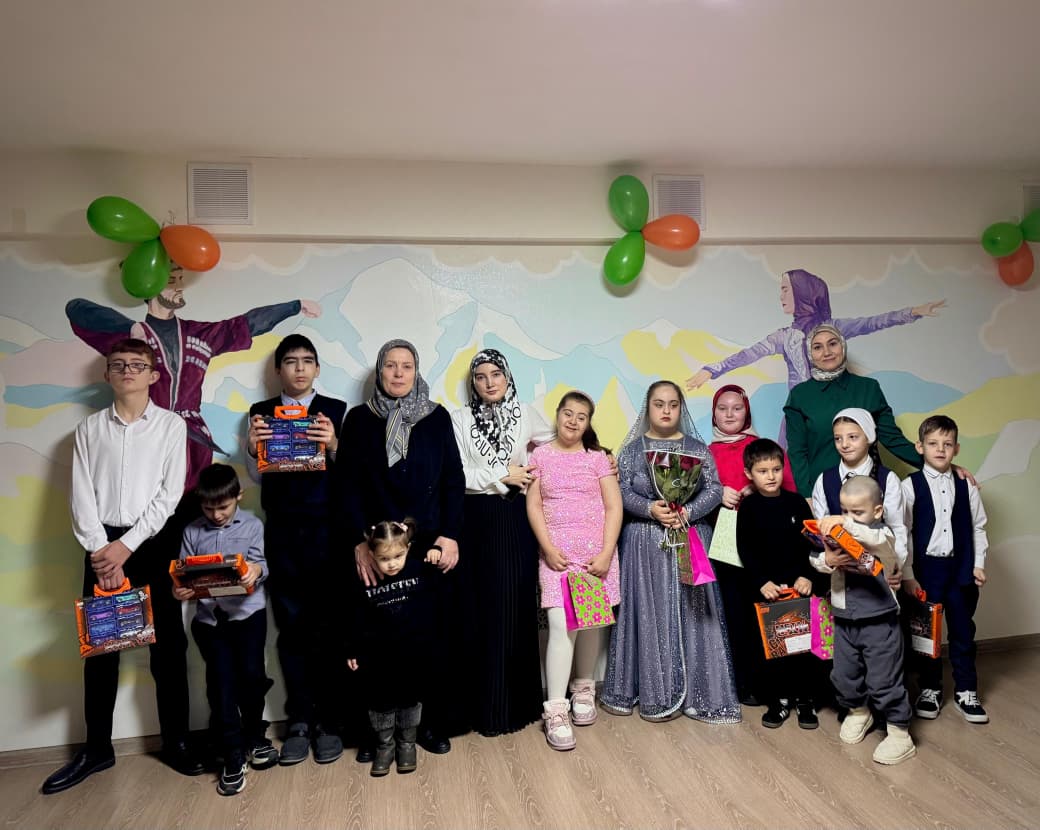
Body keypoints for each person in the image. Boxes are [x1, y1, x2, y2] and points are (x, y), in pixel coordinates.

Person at [42, 339, 201, 795]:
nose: (128, 370)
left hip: (152, 541)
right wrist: (102, 551)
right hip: (100, 547)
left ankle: (176, 742)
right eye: (118, 365)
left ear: (153, 375)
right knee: (102, 650)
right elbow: (81, 496)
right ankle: (97, 748)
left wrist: (126, 547)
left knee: (168, 648)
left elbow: (170, 495)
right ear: (106, 375)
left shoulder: (171, 426)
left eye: (137, 364)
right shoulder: (89, 429)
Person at [66, 262, 322, 490]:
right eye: (171, 280)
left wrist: (294, 306)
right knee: (140, 500)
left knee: (191, 510)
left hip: (191, 439)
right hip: (144, 432)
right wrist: (128, 326)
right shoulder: (130, 337)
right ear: (150, 287)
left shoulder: (198, 334)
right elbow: (75, 308)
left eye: (180, 280)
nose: (179, 287)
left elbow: (247, 324)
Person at [336, 338, 466, 755]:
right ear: (380, 372)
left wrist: (450, 534)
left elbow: (453, 480)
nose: (398, 373)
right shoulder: (359, 419)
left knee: (428, 639)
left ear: (416, 371)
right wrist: (359, 542)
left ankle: (427, 726)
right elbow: (346, 486)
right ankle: (376, 735)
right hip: (379, 548)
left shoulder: (436, 417)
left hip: (426, 547)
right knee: (377, 643)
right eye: (390, 365)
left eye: (406, 366)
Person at [600, 381, 741, 725]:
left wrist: (687, 512)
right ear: (647, 407)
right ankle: (655, 690)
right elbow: (620, 492)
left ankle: (698, 693)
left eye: (673, 404)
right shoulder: (632, 450)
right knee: (649, 611)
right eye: (659, 404)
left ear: (681, 408)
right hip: (644, 542)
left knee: (695, 612)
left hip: (689, 536)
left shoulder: (697, 448)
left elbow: (714, 489)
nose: (666, 410)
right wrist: (650, 509)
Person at [246, 334, 347, 765]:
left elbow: (352, 476)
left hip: (326, 532)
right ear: (278, 370)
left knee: (328, 625)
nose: (300, 368)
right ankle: (299, 720)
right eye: (291, 361)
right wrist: (252, 448)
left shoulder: (337, 410)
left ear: (318, 369)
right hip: (283, 533)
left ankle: (329, 721)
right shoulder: (261, 413)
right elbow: (256, 477)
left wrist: (335, 445)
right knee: (290, 629)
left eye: (308, 361)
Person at [450, 349, 554, 737]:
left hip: (515, 518)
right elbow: (458, 473)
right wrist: (500, 474)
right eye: (481, 376)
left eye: (496, 374)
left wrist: (599, 459)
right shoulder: (460, 418)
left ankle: (519, 706)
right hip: (476, 520)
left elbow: (555, 449)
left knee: (515, 606)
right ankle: (485, 710)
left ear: (507, 377)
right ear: (473, 383)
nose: (489, 382)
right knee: (482, 610)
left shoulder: (525, 413)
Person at [527, 391, 623, 750]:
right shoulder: (540, 455)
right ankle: (555, 709)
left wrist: (606, 553)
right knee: (560, 625)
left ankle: (583, 688)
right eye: (568, 413)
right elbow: (534, 505)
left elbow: (613, 507)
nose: (573, 421)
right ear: (558, 415)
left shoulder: (598, 459)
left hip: (595, 558)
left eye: (581, 417)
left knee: (590, 623)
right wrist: (547, 548)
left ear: (588, 423)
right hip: (558, 559)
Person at [174, 464, 274, 796]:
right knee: (221, 687)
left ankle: (255, 736)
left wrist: (255, 570)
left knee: (252, 678)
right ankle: (233, 755)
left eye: (223, 507)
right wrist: (180, 590)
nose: (216, 515)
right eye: (208, 508)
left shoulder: (253, 525)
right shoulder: (192, 531)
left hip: (249, 616)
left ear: (238, 496)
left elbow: (262, 564)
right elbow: (183, 575)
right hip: (210, 623)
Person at [686, 268, 944, 391]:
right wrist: (712, 370)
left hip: (832, 412)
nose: (780, 296)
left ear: (802, 292)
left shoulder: (831, 329)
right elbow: (748, 355)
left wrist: (912, 312)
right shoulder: (784, 337)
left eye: (785, 289)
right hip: (798, 416)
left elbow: (872, 322)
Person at [813, 476, 916, 765]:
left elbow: (876, 541)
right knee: (844, 674)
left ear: (877, 511)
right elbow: (818, 559)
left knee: (884, 679)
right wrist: (828, 561)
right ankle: (859, 711)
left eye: (857, 512)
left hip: (879, 621)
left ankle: (899, 732)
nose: (849, 517)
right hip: (844, 618)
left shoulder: (883, 535)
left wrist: (845, 523)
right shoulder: (840, 534)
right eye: (844, 510)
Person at [708, 384, 797, 705]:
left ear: (747, 411)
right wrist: (717, 493)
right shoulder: (705, 452)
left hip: (765, 547)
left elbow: (789, 495)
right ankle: (741, 683)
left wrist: (754, 490)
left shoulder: (763, 449)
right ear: (714, 414)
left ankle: (776, 685)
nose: (730, 414)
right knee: (734, 613)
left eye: (737, 408)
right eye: (722, 408)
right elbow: (694, 495)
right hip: (724, 545)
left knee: (766, 610)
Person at [901, 415, 990, 724]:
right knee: (927, 634)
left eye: (947, 444)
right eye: (933, 443)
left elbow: (978, 527)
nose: (940, 449)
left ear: (957, 449)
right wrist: (909, 574)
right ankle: (930, 688)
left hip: (961, 570)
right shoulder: (909, 486)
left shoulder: (967, 485)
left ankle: (967, 690)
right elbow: (903, 533)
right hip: (926, 572)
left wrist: (978, 564)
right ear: (920, 447)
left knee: (963, 632)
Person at [346, 519, 443, 776]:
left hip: (411, 652)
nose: (392, 564)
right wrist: (353, 649)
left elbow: (435, 584)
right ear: (371, 555)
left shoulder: (418, 568)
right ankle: (385, 747)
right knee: (381, 703)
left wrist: (434, 552)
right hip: (378, 656)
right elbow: (356, 617)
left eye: (398, 556)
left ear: (408, 549)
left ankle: (407, 745)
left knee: (410, 700)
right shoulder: (366, 579)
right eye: (384, 559)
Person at [736, 439, 819, 729]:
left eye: (776, 469)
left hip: (799, 588)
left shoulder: (797, 503)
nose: (771, 476)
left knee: (803, 648)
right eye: (763, 471)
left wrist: (807, 575)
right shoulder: (748, 508)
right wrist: (762, 582)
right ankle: (780, 700)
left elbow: (812, 544)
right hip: (768, 592)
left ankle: (806, 700)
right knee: (772, 650)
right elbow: (745, 549)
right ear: (749, 474)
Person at [783, 324, 923, 497]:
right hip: (823, 490)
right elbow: (797, 452)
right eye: (817, 347)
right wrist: (807, 495)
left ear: (843, 346)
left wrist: (934, 463)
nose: (827, 352)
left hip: (868, 489)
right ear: (810, 354)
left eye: (832, 343)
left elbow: (892, 438)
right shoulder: (800, 395)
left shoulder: (868, 388)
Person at [811, 408, 909, 574]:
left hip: (880, 575)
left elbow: (897, 530)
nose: (844, 444)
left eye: (853, 437)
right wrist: (826, 561)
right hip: (841, 577)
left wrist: (894, 569)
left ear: (869, 437)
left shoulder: (888, 479)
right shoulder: (824, 480)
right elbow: (820, 534)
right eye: (838, 438)